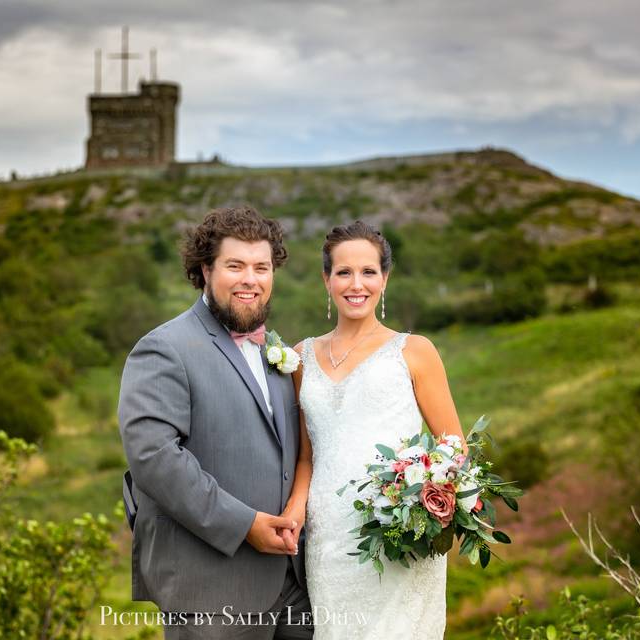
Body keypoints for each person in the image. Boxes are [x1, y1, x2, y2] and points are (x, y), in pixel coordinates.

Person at [119, 206, 314, 639]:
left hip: (293, 590)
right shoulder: (164, 348)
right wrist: (245, 525)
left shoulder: (275, 352)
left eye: (262, 267)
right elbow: (155, 458)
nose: (251, 279)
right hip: (211, 591)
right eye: (235, 266)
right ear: (205, 270)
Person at [280, 220, 466, 639]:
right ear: (326, 279)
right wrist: (295, 510)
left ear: (385, 277)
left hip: (397, 530)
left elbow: (453, 445)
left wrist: (419, 500)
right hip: (329, 535)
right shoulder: (300, 357)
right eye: (343, 272)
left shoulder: (415, 351)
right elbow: (307, 455)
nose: (356, 284)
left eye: (368, 271)